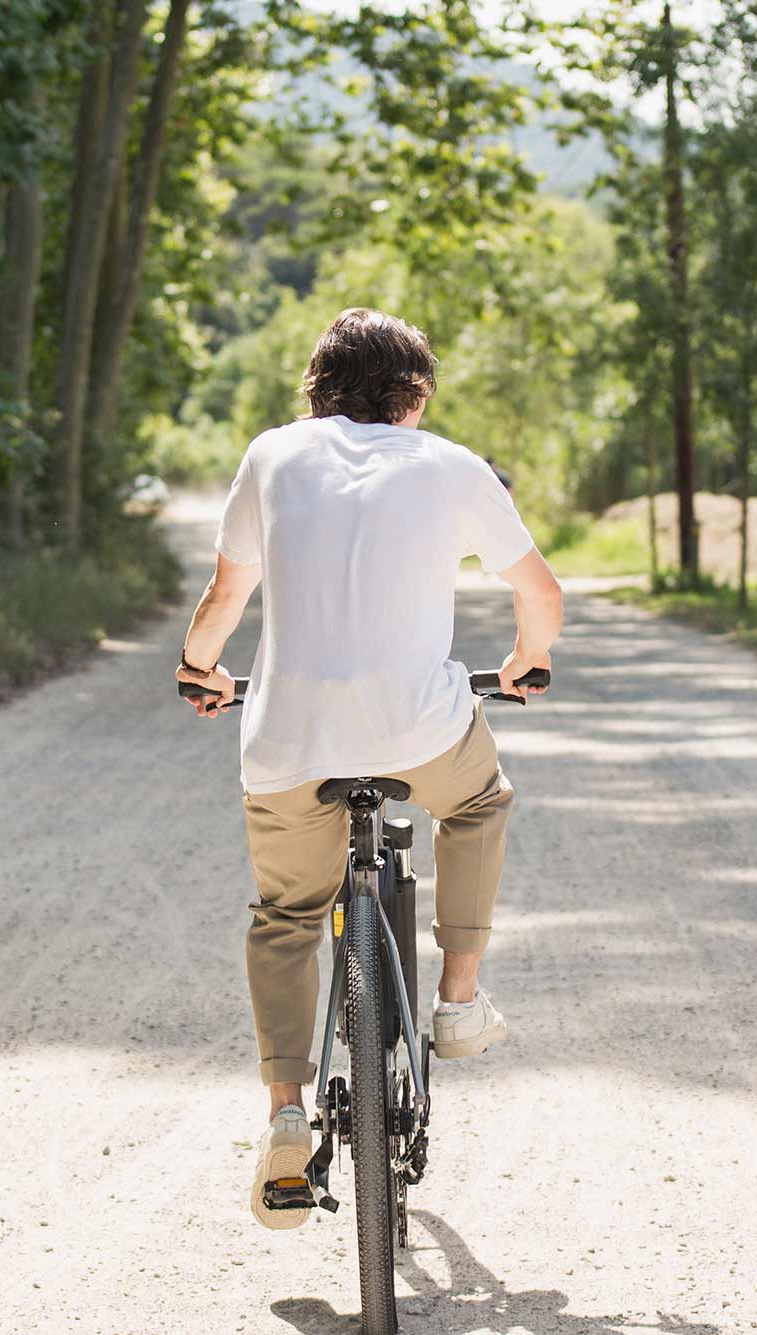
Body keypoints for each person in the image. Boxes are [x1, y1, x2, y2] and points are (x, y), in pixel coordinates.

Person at [175, 307, 564, 1229]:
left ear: (317, 386)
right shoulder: (451, 464)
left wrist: (199, 669)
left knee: (286, 917)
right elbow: (538, 592)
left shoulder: (272, 455)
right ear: (414, 393)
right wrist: (523, 660)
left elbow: (226, 594)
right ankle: (458, 1001)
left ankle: (282, 1111)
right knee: (477, 801)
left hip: (286, 741)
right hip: (417, 728)